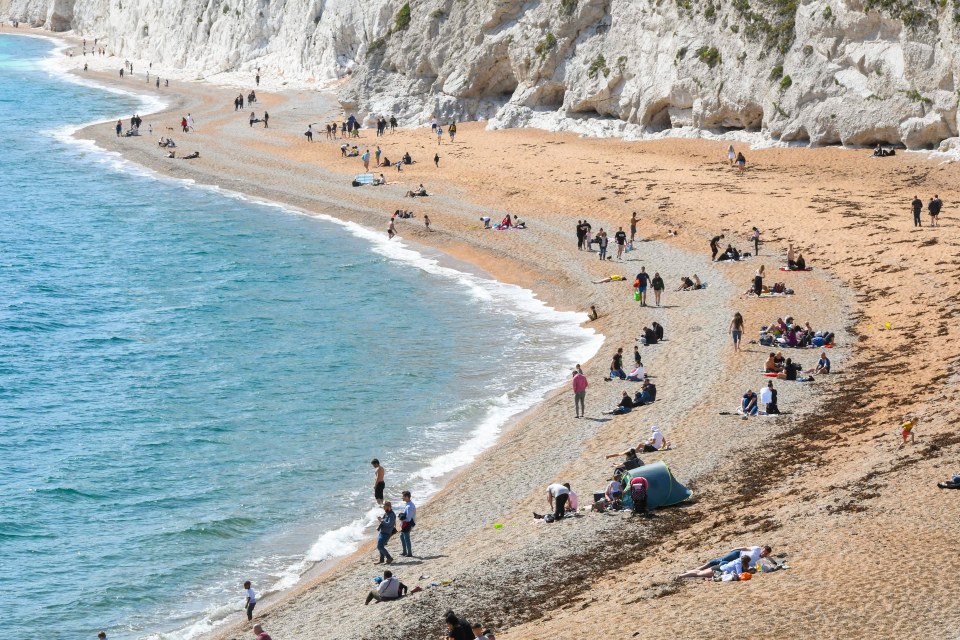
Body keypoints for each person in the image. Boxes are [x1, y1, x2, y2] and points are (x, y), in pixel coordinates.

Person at [696, 545, 772, 571]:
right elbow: (745, 548)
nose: (763, 553)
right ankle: (701, 567)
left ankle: (707, 570)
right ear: (762, 549)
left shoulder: (763, 559)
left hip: (739, 562)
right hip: (738, 554)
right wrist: (736, 548)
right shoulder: (757, 548)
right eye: (763, 551)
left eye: (765, 553)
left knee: (723, 564)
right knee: (721, 559)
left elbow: (771, 562)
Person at [678, 555, 751, 580]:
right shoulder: (738, 563)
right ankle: (681, 576)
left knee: (700, 572)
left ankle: (687, 572)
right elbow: (739, 574)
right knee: (699, 574)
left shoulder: (738, 560)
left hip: (718, 567)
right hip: (718, 570)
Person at [397, 490, 416, 556]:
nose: (402, 498)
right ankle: (405, 552)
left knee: (406, 538)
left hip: (408, 524)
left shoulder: (409, 506)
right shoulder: (408, 504)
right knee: (402, 536)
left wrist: (401, 518)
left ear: (407, 497)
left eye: (403, 496)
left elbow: (408, 518)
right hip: (408, 523)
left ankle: (409, 553)